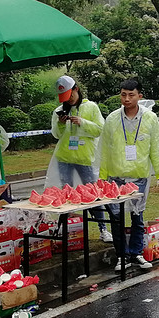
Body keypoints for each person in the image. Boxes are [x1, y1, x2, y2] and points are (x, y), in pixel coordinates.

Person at [98, 78, 159, 271]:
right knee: (116, 218)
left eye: (131, 95)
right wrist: (102, 178)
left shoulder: (150, 118)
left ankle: (137, 253)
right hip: (115, 177)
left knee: (137, 217)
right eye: (123, 94)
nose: (126, 99)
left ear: (140, 96)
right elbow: (104, 150)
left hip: (139, 176)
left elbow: (156, 147)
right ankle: (122, 256)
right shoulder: (112, 119)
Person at [49, 75, 111, 242]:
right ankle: (66, 231)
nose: (68, 101)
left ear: (76, 89)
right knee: (66, 195)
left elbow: (100, 129)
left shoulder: (91, 107)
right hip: (64, 158)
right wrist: (61, 123)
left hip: (86, 159)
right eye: (64, 98)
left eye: (70, 95)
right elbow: (56, 135)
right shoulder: (59, 111)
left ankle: (103, 229)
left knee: (93, 194)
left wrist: (82, 122)